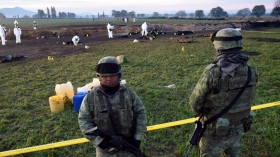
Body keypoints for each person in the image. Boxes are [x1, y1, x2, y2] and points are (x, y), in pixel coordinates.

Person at [189, 28, 258, 157]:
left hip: (213, 132)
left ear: (219, 47)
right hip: (238, 129)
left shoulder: (213, 72)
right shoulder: (251, 71)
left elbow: (195, 103)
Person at [78, 56, 147, 157]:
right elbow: (84, 120)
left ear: (119, 76)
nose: (109, 79)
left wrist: (138, 138)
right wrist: (100, 142)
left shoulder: (129, 93)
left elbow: (140, 112)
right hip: (105, 151)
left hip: (128, 145)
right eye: (104, 76)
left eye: (112, 76)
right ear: (99, 77)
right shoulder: (90, 97)